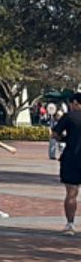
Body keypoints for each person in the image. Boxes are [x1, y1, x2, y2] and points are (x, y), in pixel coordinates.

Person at [52, 92, 81, 235]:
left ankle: (70, 224)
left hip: (71, 158)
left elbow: (55, 135)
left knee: (71, 193)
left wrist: (66, 139)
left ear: (75, 102)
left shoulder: (69, 117)